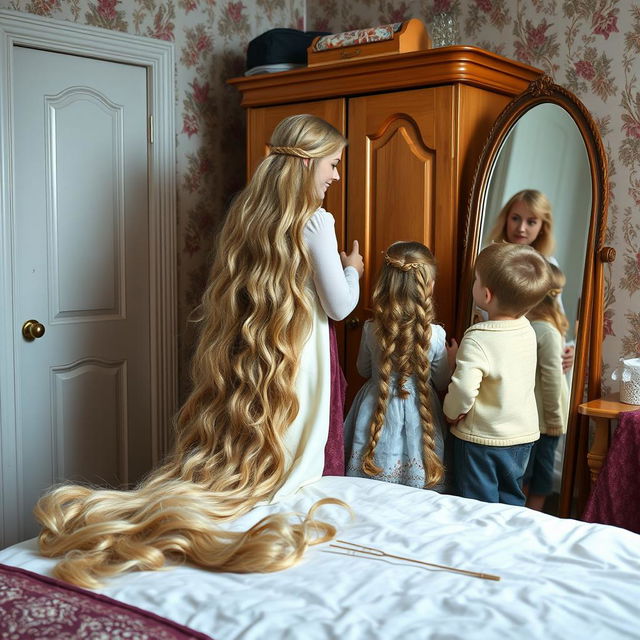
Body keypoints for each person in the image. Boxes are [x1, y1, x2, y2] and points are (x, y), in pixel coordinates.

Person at [33, 114, 364, 588]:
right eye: (332, 164)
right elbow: (339, 305)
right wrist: (352, 269)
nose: (335, 175)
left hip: (268, 351)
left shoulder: (251, 213)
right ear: (308, 163)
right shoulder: (317, 222)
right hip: (299, 353)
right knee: (299, 438)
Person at [443, 242, 553, 506]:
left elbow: (464, 390)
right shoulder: (527, 329)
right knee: (510, 501)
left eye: (476, 280)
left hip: (481, 440)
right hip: (521, 438)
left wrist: (450, 412)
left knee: (476, 505)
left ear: (487, 296)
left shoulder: (477, 337)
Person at [344, 241, 450, 491]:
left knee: (369, 490)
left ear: (384, 285)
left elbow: (362, 369)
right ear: (430, 287)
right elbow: (443, 381)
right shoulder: (435, 335)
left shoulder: (371, 329)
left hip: (376, 404)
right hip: (420, 408)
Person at [487, 189, 574, 372]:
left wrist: (568, 349)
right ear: (506, 219)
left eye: (531, 222)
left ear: (543, 226)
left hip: (539, 361)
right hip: (498, 356)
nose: (521, 228)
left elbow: (557, 314)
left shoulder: (549, 265)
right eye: (516, 218)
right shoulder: (489, 259)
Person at [523, 263, 570, 511]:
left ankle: (526, 516)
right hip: (545, 419)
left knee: (530, 475)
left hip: (538, 418)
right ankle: (530, 517)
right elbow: (551, 377)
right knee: (538, 477)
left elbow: (551, 374)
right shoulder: (546, 330)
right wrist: (554, 418)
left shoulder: (535, 327)